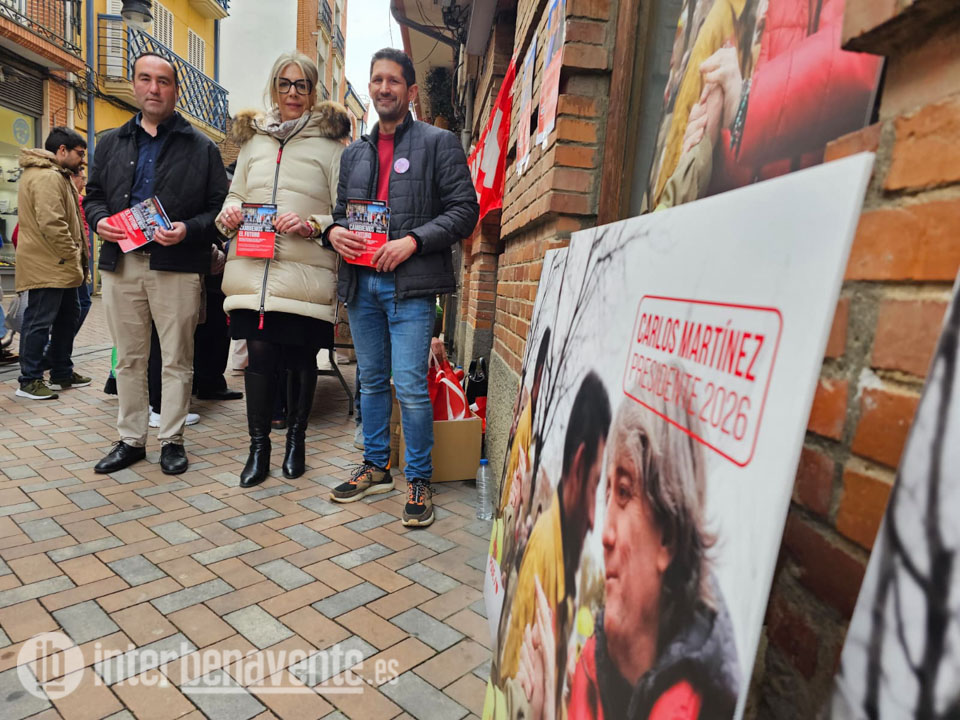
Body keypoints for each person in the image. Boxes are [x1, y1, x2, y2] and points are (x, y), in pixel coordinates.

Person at [325, 48, 479, 527]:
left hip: (410, 289)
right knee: (370, 381)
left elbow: (464, 211)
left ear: (410, 91)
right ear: (369, 88)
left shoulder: (439, 143)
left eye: (394, 81)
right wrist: (334, 233)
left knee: (410, 387)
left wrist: (412, 241)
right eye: (376, 80)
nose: (383, 88)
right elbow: (338, 217)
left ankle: (419, 478)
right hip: (363, 285)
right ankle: (376, 467)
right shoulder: (354, 153)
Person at [85, 52, 228, 475]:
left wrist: (187, 228)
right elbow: (92, 195)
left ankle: (172, 439)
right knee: (128, 358)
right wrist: (99, 220)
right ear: (134, 86)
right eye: (145, 79)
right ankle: (130, 439)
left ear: (175, 91)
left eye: (163, 81)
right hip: (122, 263)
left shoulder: (201, 147)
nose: (154, 88)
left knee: (176, 358)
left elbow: (219, 210)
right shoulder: (110, 142)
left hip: (177, 265)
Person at [560, 391, 741, 720]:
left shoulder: (703, 707)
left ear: (669, 535)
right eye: (608, 493)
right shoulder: (590, 665)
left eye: (625, 493)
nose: (604, 534)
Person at [217, 52, 350, 488]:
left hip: (305, 274)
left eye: (303, 85)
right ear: (274, 87)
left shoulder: (331, 148)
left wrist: (312, 224)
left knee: (298, 359)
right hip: (254, 272)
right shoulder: (254, 142)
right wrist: (233, 211)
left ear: (314, 92)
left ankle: (297, 441)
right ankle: (259, 448)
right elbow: (233, 196)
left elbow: (343, 213)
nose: (293, 93)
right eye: (285, 84)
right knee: (259, 356)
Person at [496, 372, 612, 710]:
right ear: (577, 467)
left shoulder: (561, 550)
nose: (594, 520)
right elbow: (511, 681)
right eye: (596, 486)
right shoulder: (548, 547)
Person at [14, 126, 90, 400]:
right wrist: (71, 252)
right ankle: (29, 380)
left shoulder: (57, 175)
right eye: (79, 154)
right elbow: (52, 222)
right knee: (40, 321)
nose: (81, 161)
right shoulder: (47, 177)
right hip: (49, 263)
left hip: (60, 264)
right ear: (62, 151)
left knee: (67, 317)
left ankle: (61, 371)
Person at [71, 170, 93, 335]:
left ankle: (57, 346)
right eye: (82, 178)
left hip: (75, 259)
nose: (84, 183)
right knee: (82, 302)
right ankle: (56, 345)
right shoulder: (78, 200)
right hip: (75, 260)